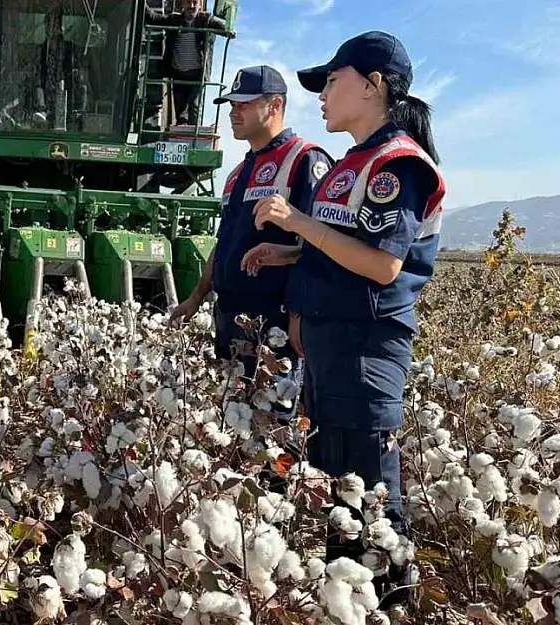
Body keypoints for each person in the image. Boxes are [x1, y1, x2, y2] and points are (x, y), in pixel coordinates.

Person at [245, 31, 445, 609]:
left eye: (332, 81)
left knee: (370, 491)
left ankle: (390, 605)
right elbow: (341, 246)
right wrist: (288, 254)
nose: (323, 95)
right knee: (337, 485)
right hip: (334, 348)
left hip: (365, 345)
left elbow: (382, 265)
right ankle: (347, 604)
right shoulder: (352, 164)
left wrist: (298, 225)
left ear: (373, 84)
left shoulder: (396, 164)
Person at [171, 65, 332, 423]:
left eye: (243, 104)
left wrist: (298, 316)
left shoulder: (304, 160)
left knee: (273, 425)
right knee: (231, 420)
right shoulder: (236, 173)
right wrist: (196, 297)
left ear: (275, 106)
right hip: (229, 317)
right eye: (231, 105)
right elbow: (223, 242)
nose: (233, 112)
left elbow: (324, 246)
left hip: (273, 323)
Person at [144, 0, 233, 127]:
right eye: (188, 2)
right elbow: (153, 18)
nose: (191, 6)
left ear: (200, 5)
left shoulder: (206, 20)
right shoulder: (174, 20)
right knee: (180, 110)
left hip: (197, 74)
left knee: (194, 105)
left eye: (194, 3)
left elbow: (222, 27)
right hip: (178, 73)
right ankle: (181, 132)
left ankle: (192, 134)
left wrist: (228, 29)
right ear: (183, 5)